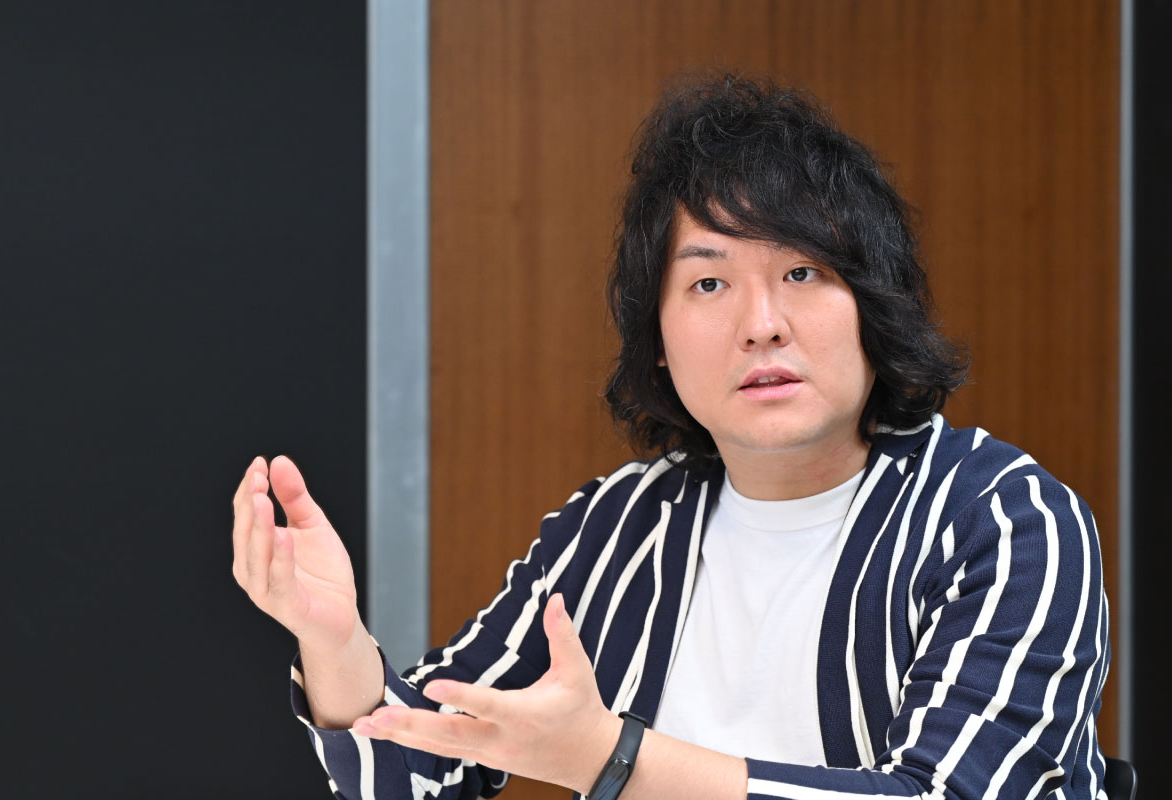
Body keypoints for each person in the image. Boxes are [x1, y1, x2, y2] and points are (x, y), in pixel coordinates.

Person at [232, 75, 1109, 800]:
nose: (762, 324)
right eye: (708, 284)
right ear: (657, 336)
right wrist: (335, 642)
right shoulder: (619, 526)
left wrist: (611, 761)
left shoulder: (1005, 519)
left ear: (874, 304)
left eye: (803, 271)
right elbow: (422, 772)